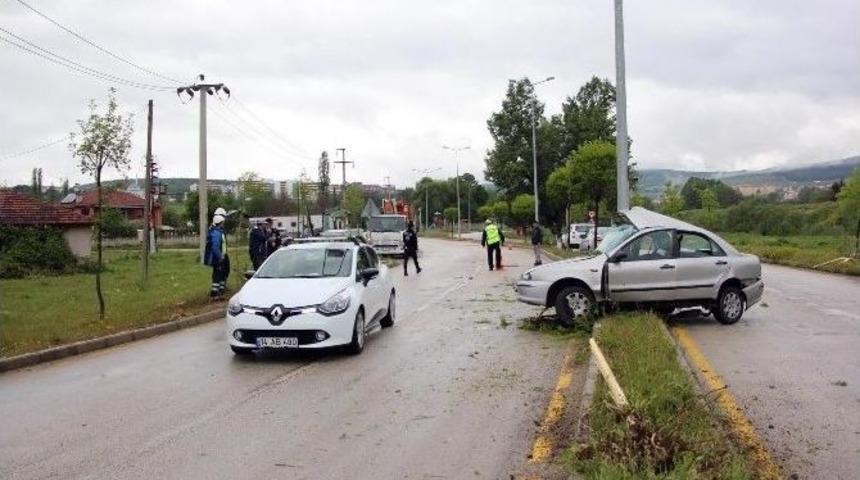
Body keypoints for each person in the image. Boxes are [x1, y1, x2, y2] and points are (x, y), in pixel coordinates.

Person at [204, 213, 230, 297]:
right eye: (223, 222)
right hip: (217, 258)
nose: (224, 223)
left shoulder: (219, 232)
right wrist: (220, 256)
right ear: (220, 222)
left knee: (221, 273)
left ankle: (220, 291)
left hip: (220, 256)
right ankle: (214, 294)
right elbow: (215, 247)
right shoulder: (216, 233)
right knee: (217, 274)